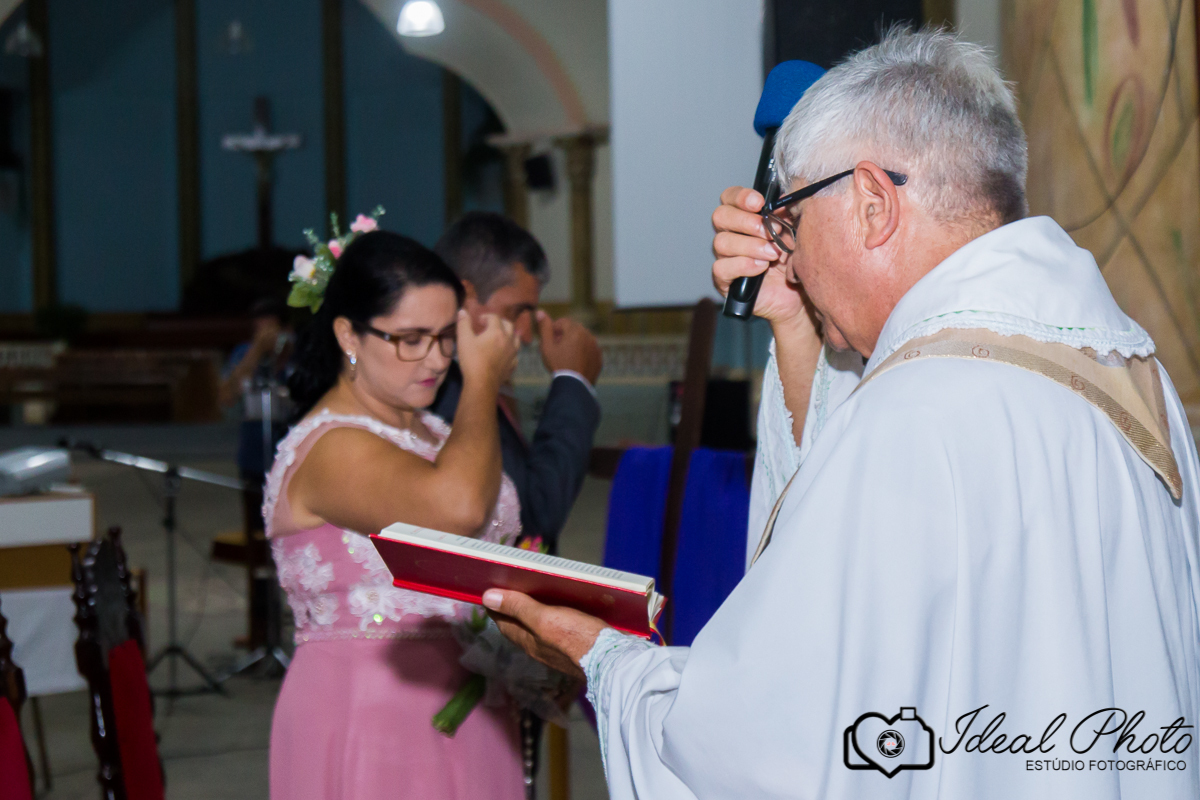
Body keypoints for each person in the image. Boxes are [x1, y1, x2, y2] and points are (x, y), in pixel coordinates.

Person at [479, 28, 1200, 798]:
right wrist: (796, 322)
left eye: (790, 219)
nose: (785, 253)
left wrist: (603, 657)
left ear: (872, 203)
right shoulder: (1127, 370)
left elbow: (777, 746)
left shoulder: (915, 412)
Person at [264, 230, 525, 799]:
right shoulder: (331, 447)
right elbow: (458, 510)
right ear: (348, 335)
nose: (436, 359)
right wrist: (482, 379)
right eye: (411, 339)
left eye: (446, 336)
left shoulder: (433, 430)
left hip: (470, 708)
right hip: (371, 715)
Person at [432, 211, 602, 552]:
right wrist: (573, 381)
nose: (526, 334)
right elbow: (532, 520)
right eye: (515, 311)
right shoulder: (442, 390)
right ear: (463, 298)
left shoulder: (466, 381)